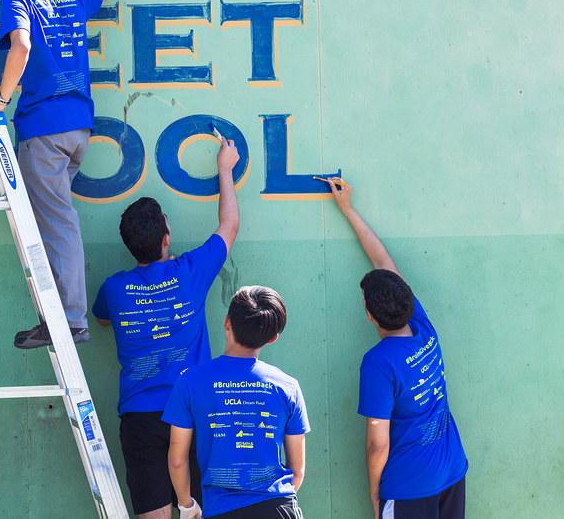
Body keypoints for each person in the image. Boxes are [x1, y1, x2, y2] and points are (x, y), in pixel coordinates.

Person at [0, 0, 119, 349]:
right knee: (50, 222)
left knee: (57, 226)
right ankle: (56, 316)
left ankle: (69, 320)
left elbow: (23, 44)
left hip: (44, 129)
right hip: (78, 129)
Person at [92, 138, 241, 518]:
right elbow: (229, 225)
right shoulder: (190, 272)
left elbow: (103, 317)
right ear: (166, 238)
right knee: (203, 510)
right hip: (191, 412)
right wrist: (225, 168)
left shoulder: (114, 287)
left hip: (141, 418)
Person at [322, 177, 467, 519]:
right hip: (452, 472)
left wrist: (375, 492)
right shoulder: (422, 328)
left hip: (409, 486)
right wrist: (348, 209)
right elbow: (383, 261)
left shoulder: (378, 363)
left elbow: (378, 442)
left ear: (369, 315)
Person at [164, 286, 308, 519]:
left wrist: (186, 504)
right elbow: (297, 471)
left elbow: (178, 459)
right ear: (272, 338)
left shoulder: (189, 381)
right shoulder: (288, 387)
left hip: (220, 510)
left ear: (227, 322)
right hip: (278, 508)